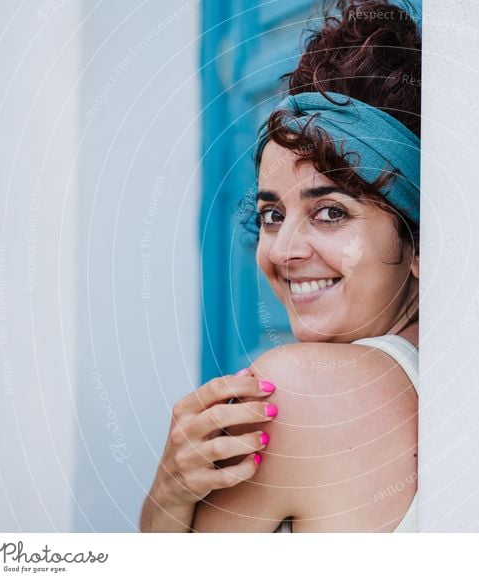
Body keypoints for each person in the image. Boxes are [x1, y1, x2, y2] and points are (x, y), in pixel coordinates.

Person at [139, 0, 421, 533]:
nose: (282, 250)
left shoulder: (293, 393)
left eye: (331, 212)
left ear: (420, 244)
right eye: (272, 214)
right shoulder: (461, 383)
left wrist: (166, 496)